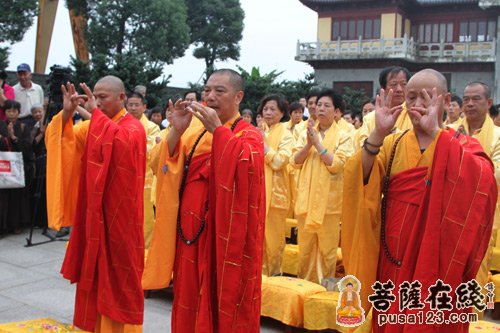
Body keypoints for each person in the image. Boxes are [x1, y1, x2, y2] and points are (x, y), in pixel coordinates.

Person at [342, 69, 497, 333]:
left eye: (426, 97)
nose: (416, 105)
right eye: (411, 97)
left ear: (446, 101)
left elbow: (484, 181)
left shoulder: (461, 144)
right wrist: (377, 134)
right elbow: (360, 178)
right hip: (394, 258)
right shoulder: (393, 143)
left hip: (440, 259)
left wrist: (438, 134)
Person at [142, 69, 265, 332]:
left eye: (220, 91)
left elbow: (250, 166)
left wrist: (219, 132)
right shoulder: (194, 131)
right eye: (207, 90)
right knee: (188, 296)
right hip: (190, 233)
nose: (210, 96)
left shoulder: (247, 133)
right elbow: (160, 164)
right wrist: (175, 131)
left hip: (224, 235)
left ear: (238, 96)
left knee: (221, 295)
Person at [45, 76, 146, 332]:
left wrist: (94, 116)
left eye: (103, 98)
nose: (97, 103)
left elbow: (123, 144)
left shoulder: (133, 127)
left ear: (121, 98)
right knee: (94, 276)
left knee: (117, 277)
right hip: (93, 216)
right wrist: (66, 114)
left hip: (120, 220)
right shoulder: (95, 125)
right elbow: (63, 142)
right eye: (95, 97)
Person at [291, 89, 353, 284]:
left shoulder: (344, 135)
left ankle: (325, 289)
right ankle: (305, 286)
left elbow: (337, 165)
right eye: (319, 105)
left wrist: (318, 144)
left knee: (327, 251)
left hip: (329, 204)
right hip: (306, 201)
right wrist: (308, 144)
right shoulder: (305, 132)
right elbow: (294, 161)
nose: (321, 109)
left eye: (327, 106)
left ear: (336, 112)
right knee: (305, 249)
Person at [257, 94, 294, 276]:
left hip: (275, 197)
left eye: (273, 109)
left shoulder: (286, 134)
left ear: (282, 113)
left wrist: (263, 144)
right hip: (256, 193)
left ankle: (272, 277)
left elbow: (280, 162)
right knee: (256, 240)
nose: (268, 112)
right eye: (265, 109)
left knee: (273, 242)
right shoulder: (257, 129)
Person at [126, 92, 160, 249]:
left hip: (144, 180)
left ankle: (145, 252)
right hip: (124, 177)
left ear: (144, 107)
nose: (133, 108)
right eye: (130, 104)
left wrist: (126, 144)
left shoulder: (152, 127)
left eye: (136, 105)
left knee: (145, 219)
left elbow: (150, 149)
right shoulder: (121, 123)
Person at [0, 100, 33, 235]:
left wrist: (13, 137)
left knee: (17, 198)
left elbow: (28, 147)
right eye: (9, 111)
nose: (12, 114)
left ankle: (16, 225)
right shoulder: (1, 125)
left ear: (19, 112)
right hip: (3, 167)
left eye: (14, 111)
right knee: (3, 198)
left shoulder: (23, 127)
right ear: (5, 112)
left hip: (18, 168)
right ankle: (3, 227)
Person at [30, 104, 48, 230]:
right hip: (38, 164)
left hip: (49, 163)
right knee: (38, 193)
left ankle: (47, 220)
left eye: (40, 112)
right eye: (35, 112)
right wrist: (41, 133)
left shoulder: (50, 124)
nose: (38, 114)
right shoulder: (33, 128)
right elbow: (32, 144)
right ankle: (38, 221)